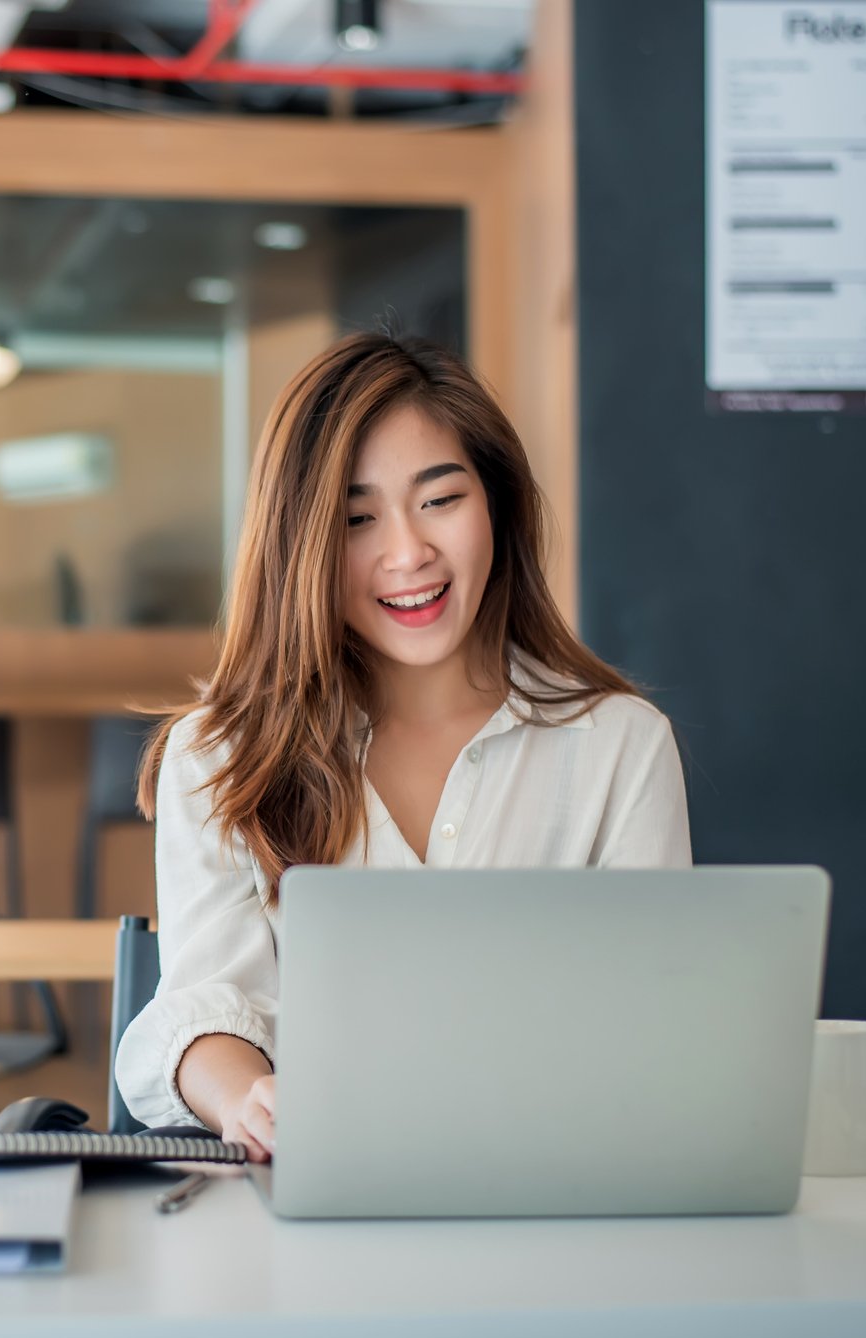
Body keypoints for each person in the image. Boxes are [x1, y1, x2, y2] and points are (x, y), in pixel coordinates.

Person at [115, 330, 693, 1164]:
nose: (407, 552)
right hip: (317, 1197)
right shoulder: (221, 754)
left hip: (557, 1190)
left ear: (495, 502)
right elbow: (208, 1005)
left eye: (440, 499)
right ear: (301, 543)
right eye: (356, 517)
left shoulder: (619, 746)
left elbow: (657, 1021)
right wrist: (250, 1098)